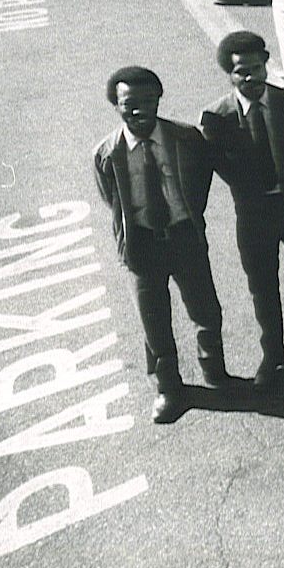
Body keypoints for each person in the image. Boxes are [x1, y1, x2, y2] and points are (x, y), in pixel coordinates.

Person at [199, 31, 284, 390]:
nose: (251, 77)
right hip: (254, 217)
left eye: (257, 68)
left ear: (265, 66)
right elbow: (218, 164)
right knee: (263, 288)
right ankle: (274, 354)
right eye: (242, 71)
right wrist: (251, 191)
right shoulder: (216, 118)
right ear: (229, 75)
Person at [92, 66, 228, 423]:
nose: (139, 110)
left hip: (184, 236)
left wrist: (186, 216)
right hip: (142, 245)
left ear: (159, 99)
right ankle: (169, 388)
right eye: (129, 104)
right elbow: (113, 200)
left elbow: (200, 183)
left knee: (206, 309)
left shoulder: (186, 139)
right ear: (116, 106)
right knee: (154, 321)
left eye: (147, 101)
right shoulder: (107, 154)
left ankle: (214, 370)